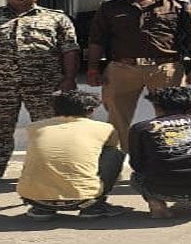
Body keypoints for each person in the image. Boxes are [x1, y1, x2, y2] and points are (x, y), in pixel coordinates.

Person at [86, 0, 191, 151]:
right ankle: (117, 163)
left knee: (173, 118)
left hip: (166, 68)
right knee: (117, 120)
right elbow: (96, 40)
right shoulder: (109, 7)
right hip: (122, 68)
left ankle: (172, 159)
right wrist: (93, 69)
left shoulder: (180, 5)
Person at [0, 0, 80, 184]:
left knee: (48, 127)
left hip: (44, 84)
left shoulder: (56, 18)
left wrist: (69, 78)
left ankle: (49, 169)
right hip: (0, 84)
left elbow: (69, 50)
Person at [17, 90, 131, 221]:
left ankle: (42, 209)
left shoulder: (34, 127)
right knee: (114, 153)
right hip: (85, 200)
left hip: (34, 199)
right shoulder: (105, 128)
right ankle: (95, 207)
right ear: (90, 110)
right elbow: (111, 150)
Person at [128, 87, 191, 219]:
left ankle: (157, 204)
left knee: (136, 176)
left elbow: (136, 163)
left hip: (159, 189)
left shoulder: (141, 128)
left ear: (157, 107)